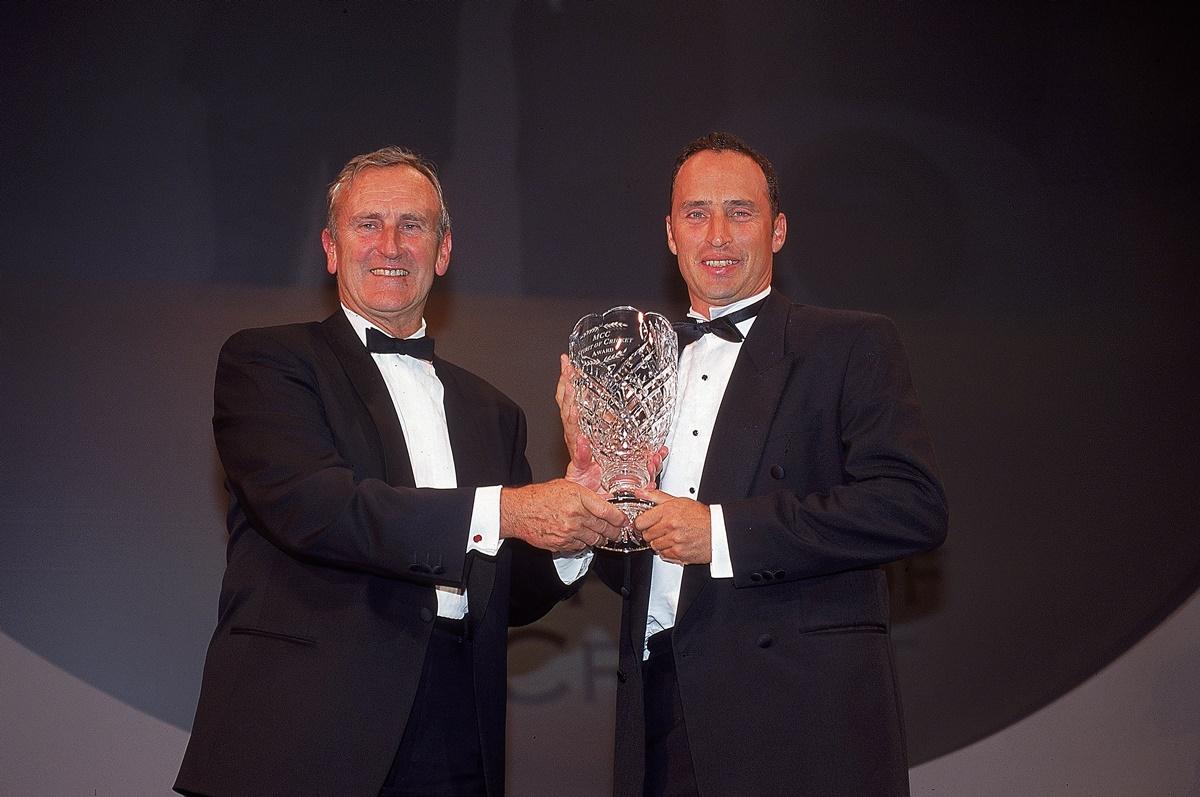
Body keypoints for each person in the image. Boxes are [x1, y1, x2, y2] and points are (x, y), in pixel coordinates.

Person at [175, 146, 626, 797]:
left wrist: (575, 528)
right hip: (304, 737)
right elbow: (323, 509)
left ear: (443, 252)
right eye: (369, 224)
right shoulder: (267, 363)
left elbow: (509, 589)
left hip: (455, 734)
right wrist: (506, 509)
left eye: (412, 225)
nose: (391, 244)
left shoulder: (491, 411)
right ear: (331, 247)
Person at [559, 132, 949, 796]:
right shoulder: (639, 363)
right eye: (696, 212)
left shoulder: (849, 343)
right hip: (659, 715)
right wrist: (593, 497)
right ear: (670, 232)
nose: (717, 234)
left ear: (777, 231)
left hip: (798, 722)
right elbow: (641, 570)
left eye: (740, 212)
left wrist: (722, 533)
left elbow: (909, 505)